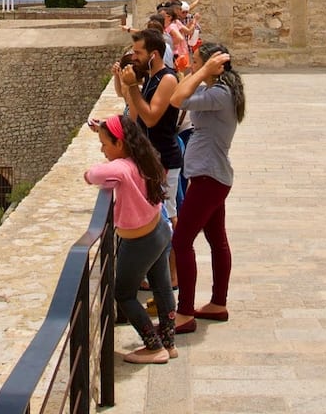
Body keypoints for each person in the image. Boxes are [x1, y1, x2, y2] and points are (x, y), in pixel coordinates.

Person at [148, 43, 245, 334]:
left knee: (181, 241)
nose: (191, 65)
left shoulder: (219, 94)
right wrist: (201, 71)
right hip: (209, 175)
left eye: (197, 61)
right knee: (217, 240)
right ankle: (218, 303)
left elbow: (177, 98)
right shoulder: (215, 91)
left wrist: (202, 70)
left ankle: (185, 312)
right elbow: (185, 92)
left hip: (208, 176)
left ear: (214, 66)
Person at [84, 114, 177, 364]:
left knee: (123, 293)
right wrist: (103, 130)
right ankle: (169, 342)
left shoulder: (122, 168)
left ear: (120, 144)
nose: (102, 149)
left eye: (105, 145)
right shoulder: (143, 159)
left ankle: (153, 346)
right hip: (159, 230)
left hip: (140, 242)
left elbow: (92, 175)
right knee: (162, 287)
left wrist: (88, 172)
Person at [112, 29, 186, 218]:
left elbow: (151, 119)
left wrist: (132, 88)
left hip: (165, 159)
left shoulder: (167, 79)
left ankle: (175, 248)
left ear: (153, 55)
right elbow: (136, 118)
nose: (134, 57)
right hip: (152, 158)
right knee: (155, 215)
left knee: (168, 215)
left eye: (138, 53)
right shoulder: (151, 78)